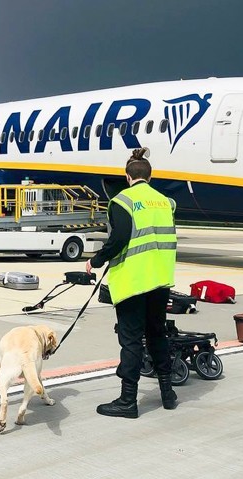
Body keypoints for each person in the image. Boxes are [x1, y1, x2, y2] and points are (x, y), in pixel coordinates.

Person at [85, 148, 177, 419]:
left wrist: (98, 260)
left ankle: (128, 400)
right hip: (160, 280)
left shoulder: (122, 201)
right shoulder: (166, 202)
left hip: (134, 282)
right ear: (149, 176)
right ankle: (168, 394)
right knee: (158, 335)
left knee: (132, 341)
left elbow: (120, 238)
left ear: (127, 177)